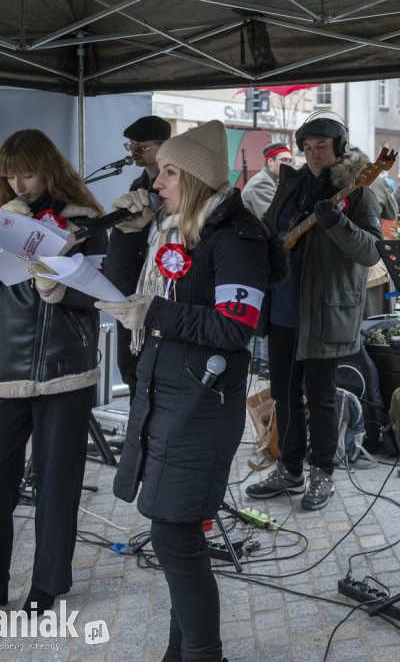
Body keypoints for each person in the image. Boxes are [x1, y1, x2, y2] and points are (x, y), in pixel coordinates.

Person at [99, 120, 282, 662]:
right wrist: (128, 232)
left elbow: (235, 326)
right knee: (171, 533)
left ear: (198, 179)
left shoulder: (237, 236)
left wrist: (154, 312)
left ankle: (203, 654)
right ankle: (181, 653)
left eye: (170, 173)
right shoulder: (171, 228)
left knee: (175, 536)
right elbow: (116, 283)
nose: (156, 182)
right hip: (164, 391)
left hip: (203, 402)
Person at [0, 129, 108, 626]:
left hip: (65, 368)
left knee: (57, 482)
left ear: (48, 167)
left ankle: (48, 583)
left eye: (26, 173)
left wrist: (59, 290)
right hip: (6, 369)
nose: (17, 184)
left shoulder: (86, 220)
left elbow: (103, 294)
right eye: (9, 175)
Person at [245, 114, 382, 510]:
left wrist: (338, 224)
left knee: (321, 398)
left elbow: (371, 251)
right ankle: (289, 469)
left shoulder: (358, 192)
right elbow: (271, 233)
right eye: (307, 148)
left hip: (325, 313)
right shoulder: (291, 185)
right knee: (285, 396)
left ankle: (322, 473)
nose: (314, 155)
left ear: (339, 146)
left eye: (321, 147)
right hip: (283, 308)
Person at [110, 115, 172, 398]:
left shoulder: (174, 182)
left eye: (141, 147)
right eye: (131, 146)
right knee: (130, 365)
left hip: (163, 285)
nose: (134, 152)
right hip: (135, 282)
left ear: (163, 146)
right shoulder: (138, 182)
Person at [243, 142, 293, 219]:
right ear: (270, 162)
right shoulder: (261, 183)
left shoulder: (272, 181)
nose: (289, 164)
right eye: (284, 160)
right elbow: (272, 221)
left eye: (290, 161)